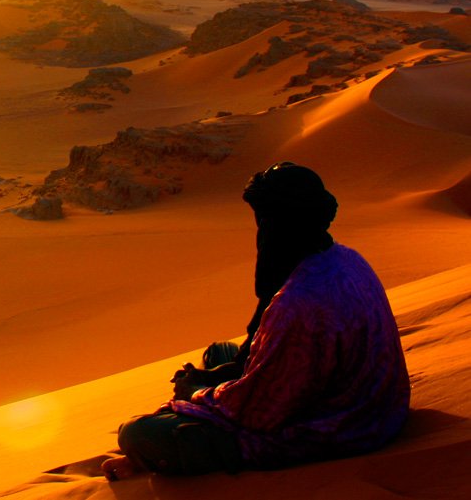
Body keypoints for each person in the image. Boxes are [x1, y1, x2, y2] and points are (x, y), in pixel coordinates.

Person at [102, 162, 410, 480]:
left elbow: (259, 412)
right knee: (220, 352)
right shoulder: (347, 258)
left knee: (137, 434)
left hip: (340, 429)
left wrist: (193, 393)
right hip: (379, 408)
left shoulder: (299, 305)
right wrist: (216, 378)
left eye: (263, 220)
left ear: (275, 223)